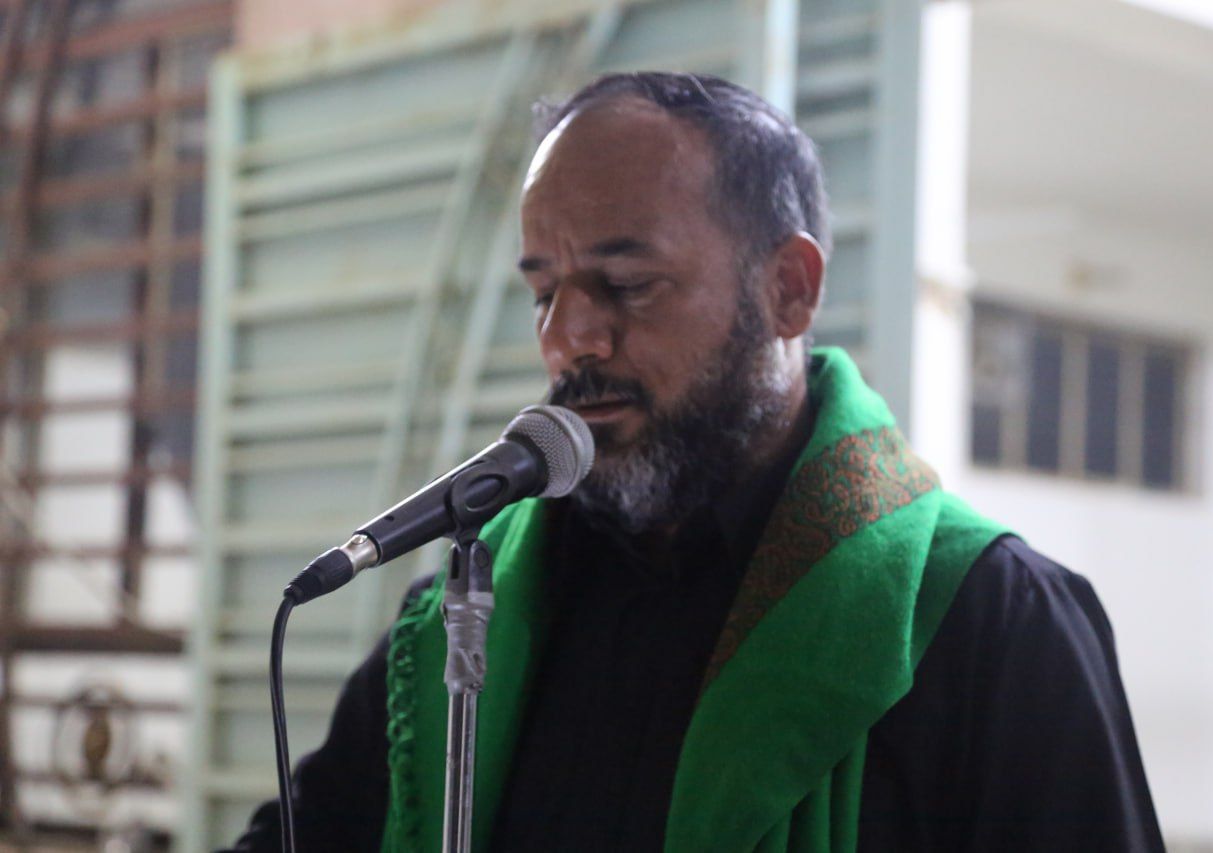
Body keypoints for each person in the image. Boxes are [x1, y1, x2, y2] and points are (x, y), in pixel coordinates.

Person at [229, 72, 1163, 852]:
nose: (570, 337)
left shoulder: (988, 620)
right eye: (544, 292)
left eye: (627, 284)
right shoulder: (468, 614)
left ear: (789, 290)